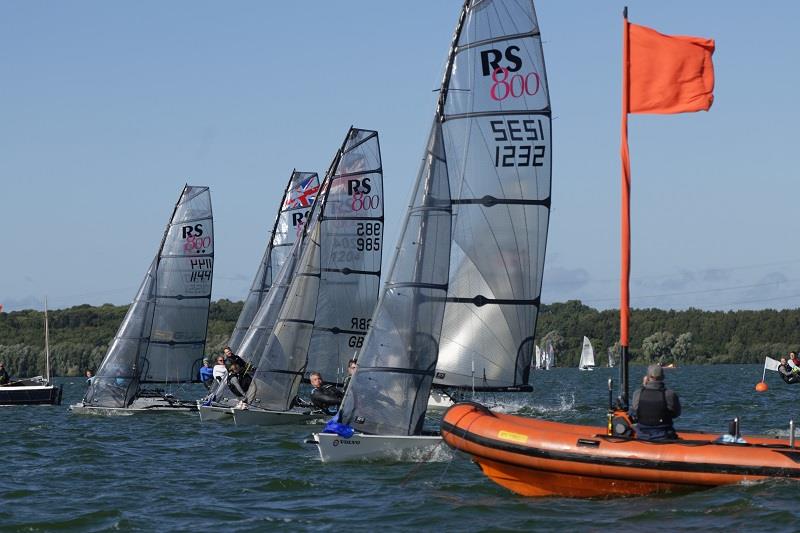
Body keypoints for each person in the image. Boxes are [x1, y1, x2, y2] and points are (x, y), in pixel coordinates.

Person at [630, 364, 681, 441]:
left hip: (643, 436)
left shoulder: (637, 393)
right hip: (665, 436)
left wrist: (644, 386)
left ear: (647, 377)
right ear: (663, 377)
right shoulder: (670, 394)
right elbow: (676, 414)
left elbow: (635, 412)